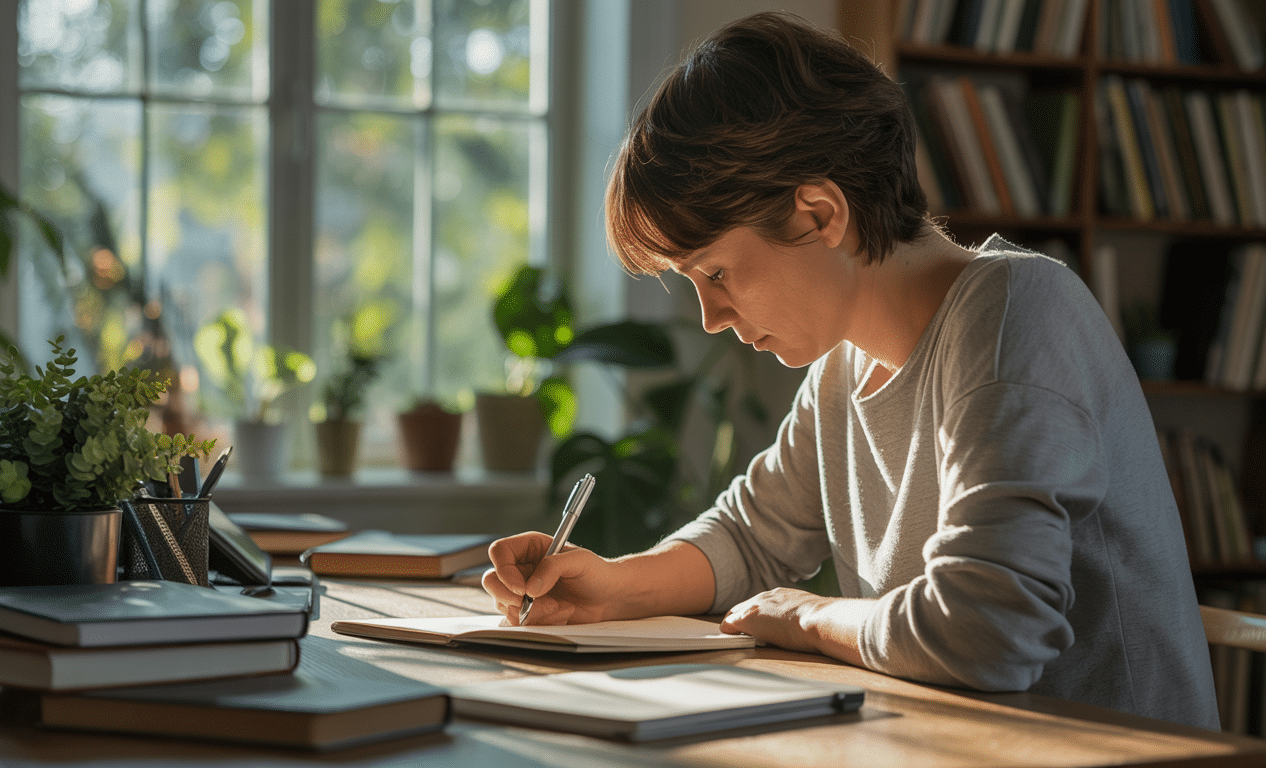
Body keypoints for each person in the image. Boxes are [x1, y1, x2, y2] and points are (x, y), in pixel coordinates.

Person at [483, 11, 1218, 729]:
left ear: (818, 213)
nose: (711, 316)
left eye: (715, 273)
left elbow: (988, 631)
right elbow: (751, 539)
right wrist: (612, 588)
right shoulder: (842, 368)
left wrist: (810, 616)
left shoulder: (1016, 315)